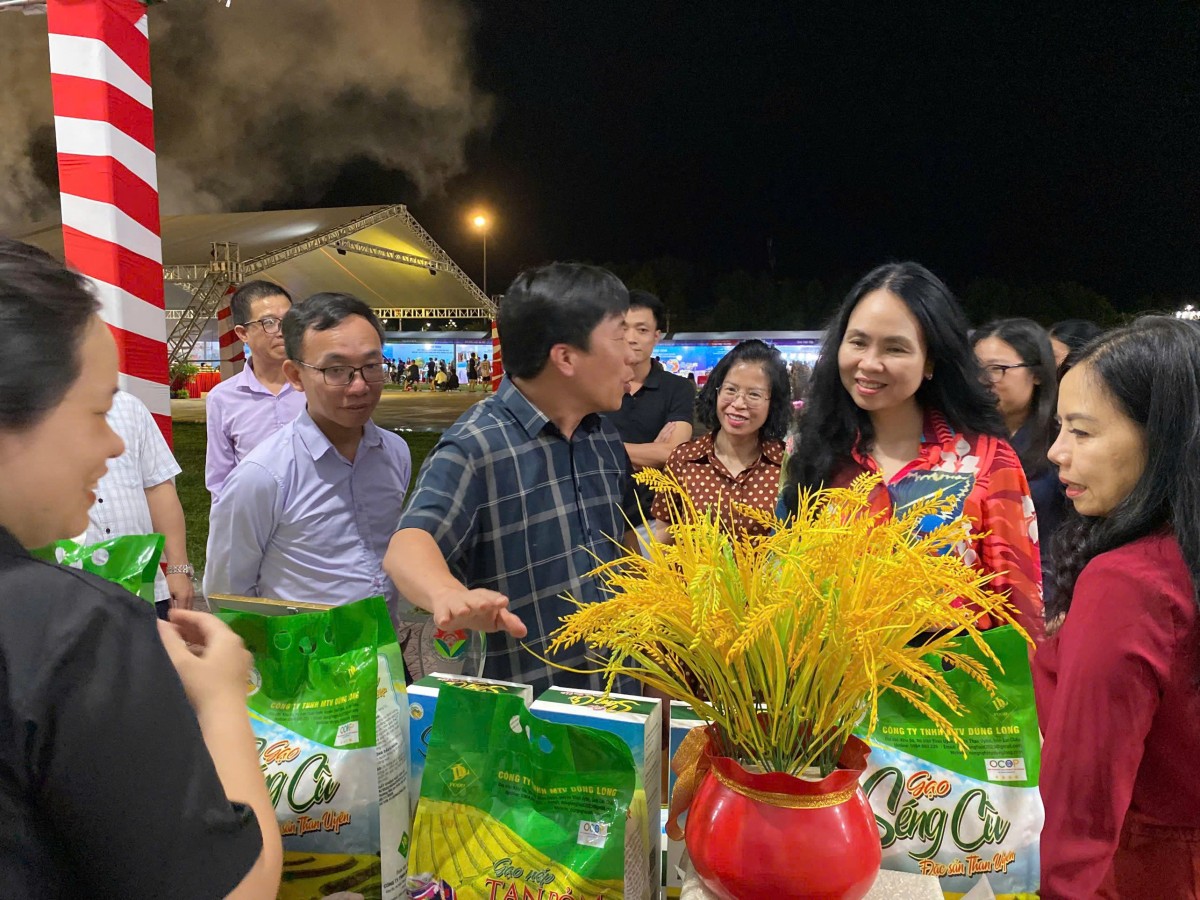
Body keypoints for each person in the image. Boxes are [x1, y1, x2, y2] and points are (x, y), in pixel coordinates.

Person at [0, 239, 281, 897]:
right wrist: (219, 697)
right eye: (98, 411)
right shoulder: (71, 627)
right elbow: (235, 887)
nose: (115, 443)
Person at [385, 263, 636, 695]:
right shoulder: (476, 446)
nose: (633, 354)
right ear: (566, 357)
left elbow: (625, 541)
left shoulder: (602, 436)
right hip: (525, 713)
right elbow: (408, 545)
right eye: (620, 336)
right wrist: (446, 593)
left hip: (617, 698)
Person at [780, 261, 1042, 633]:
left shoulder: (987, 462)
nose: (869, 363)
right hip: (832, 669)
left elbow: (1021, 612)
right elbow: (784, 585)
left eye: (895, 348)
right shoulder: (813, 453)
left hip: (953, 669)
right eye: (858, 342)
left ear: (931, 360)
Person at [1035, 316, 1200, 897]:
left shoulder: (1128, 583)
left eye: (1081, 432)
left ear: (1164, 439)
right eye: (1059, 428)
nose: (1056, 451)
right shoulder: (1178, 556)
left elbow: (1080, 807)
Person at [205, 293, 411, 607]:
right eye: (336, 370)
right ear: (295, 376)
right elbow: (228, 597)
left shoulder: (395, 453)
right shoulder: (263, 477)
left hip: (388, 638)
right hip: (304, 641)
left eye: (371, 366)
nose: (359, 386)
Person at [651, 340, 788, 540]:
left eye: (754, 395)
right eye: (731, 390)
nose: (738, 403)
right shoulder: (684, 459)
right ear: (716, 391)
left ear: (773, 403)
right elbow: (665, 534)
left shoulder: (787, 464)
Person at [81, 389, 195, 609]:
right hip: (69, 593)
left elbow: (158, 489)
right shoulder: (28, 415)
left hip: (143, 588)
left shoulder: (129, 406)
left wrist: (178, 568)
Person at [973, 319, 1066, 585]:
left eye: (997, 369)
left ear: (1037, 374)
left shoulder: (1061, 441)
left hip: (1045, 586)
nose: (984, 381)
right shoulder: (961, 439)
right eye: (977, 370)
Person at [205, 281, 305, 500]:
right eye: (269, 322)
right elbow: (219, 480)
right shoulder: (223, 398)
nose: (282, 332)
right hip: (254, 514)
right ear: (243, 333)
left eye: (288, 321)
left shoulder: (315, 385)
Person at [605, 289, 696, 530]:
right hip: (600, 513)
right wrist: (649, 454)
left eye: (642, 330)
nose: (631, 338)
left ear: (657, 336)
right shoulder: (596, 385)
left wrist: (604, 451)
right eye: (623, 328)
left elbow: (674, 453)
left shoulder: (677, 388)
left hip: (654, 521)